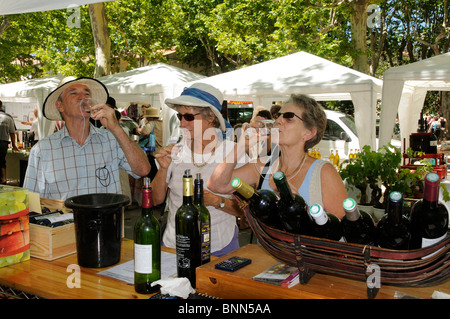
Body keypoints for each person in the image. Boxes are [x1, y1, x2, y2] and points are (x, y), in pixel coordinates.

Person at [208, 93, 348, 219]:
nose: (278, 121)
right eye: (278, 116)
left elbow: (339, 230)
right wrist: (242, 145)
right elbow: (216, 185)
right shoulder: (262, 166)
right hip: (266, 248)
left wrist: (300, 205)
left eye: (288, 117)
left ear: (308, 133)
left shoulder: (323, 172)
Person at [151, 83, 246, 257]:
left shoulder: (234, 154)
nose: (182, 123)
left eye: (188, 117)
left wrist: (217, 201)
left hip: (219, 247)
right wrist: (163, 169)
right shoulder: (174, 152)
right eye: (179, 116)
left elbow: (246, 211)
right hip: (175, 245)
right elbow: (156, 200)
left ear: (210, 117)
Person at [23, 77, 150, 200]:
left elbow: (143, 170)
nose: (83, 97)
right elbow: (32, 200)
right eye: (73, 93)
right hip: (65, 221)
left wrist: (116, 127)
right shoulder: (42, 150)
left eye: (87, 93)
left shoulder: (110, 139)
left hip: (106, 220)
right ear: (60, 105)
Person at [136, 106, 163, 181]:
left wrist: (138, 130)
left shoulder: (151, 124)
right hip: (162, 153)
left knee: (152, 175)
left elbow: (144, 132)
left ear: (150, 117)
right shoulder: (163, 123)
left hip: (153, 153)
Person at [0, 100, 19, 184]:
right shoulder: (8, 117)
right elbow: (12, 132)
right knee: (2, 160)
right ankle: (3, 179)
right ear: (1, 106)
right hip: (3, 143)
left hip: (3, 142)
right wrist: (14, 145)